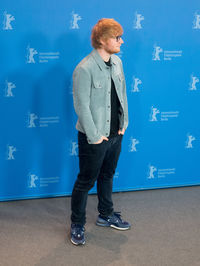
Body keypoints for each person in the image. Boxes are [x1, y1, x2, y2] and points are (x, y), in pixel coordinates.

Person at [70, 18, 130, 246]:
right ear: (103, 40)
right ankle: (77, 223)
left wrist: (124, 123)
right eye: (117, 38)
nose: (121, 42)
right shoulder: (84, 68)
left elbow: (122, 94)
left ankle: (106, 214)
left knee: (107, 176)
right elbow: (81, 106)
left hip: (116, 133)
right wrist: (95, 136)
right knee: (85, 181)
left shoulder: (117, 63)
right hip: (94, 138)